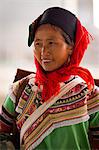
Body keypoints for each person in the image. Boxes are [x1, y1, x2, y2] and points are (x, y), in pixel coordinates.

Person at [0, 7, 99, 150]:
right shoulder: (21, 90)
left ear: (71, 47)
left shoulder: (90, 95)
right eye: (38, 44)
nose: (43, 52)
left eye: (51, 43)